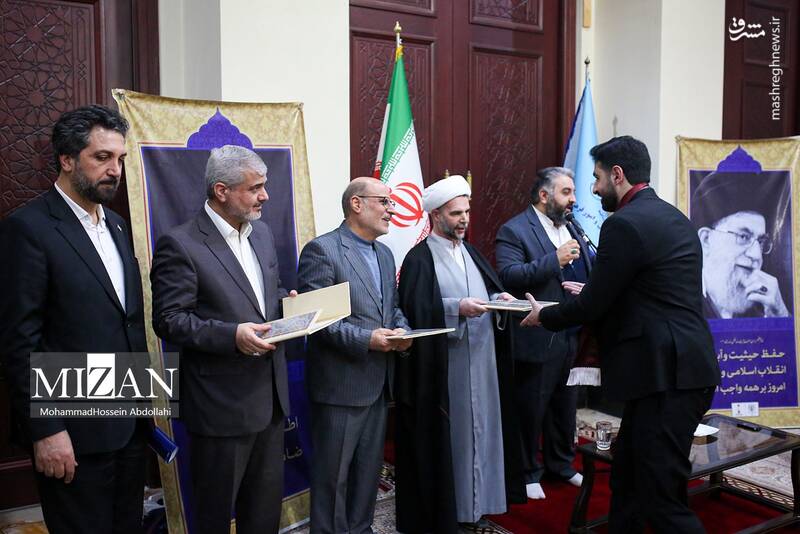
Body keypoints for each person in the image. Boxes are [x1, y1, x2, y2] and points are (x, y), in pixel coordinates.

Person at [521, 136, 721, 533]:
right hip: (679, 370)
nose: (593, 189)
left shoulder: (623, 224)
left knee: (660, 499)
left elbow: (593, 306)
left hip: (667, 377)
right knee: (627, 478)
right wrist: (596, 293)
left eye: (596, 178)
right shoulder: (674, 217)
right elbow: (655, 291)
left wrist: (545, 314)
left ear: (617, 174)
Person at [0, 105, 148, 533]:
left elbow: (124, 322)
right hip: (72, 431)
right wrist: (46, 430)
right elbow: (18, 342)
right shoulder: (28, 229)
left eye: (119, 158)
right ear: (66, 160)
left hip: (129, 422)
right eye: (102, 157)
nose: (115, 170)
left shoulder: (117, 225)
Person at [151, 145, 295, 534]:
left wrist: (289, 303)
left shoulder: (262, 233)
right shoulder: (181, 243)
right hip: (220, 408)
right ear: (221, 191)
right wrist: (232, 336)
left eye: (264, 186)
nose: (265, 196)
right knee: (213, 516)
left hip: (270, 401)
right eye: (255, 188)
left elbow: (268, 294)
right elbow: (169, 320)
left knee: (263, 515)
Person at [395, 175, 525, 532]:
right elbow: (415, 310)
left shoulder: (471, 251)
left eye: (467, 211)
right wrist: (456, 308)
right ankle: (455, 510)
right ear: (436, 215)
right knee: (456, 440)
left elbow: (487, 291)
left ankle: (481, 504)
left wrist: (499, 298)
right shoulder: (419, 258)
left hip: (483, 363)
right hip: (445, 368)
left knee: (485, 433)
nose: (464, 219)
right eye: (455, 213)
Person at [298, 177, 411, 534]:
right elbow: (317, 321)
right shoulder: (322, 250)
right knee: (333, 479)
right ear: (357, 204)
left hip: (378, 384)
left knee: (367, 474)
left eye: (392, 202)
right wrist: (367, 340)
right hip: (341, 386)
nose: (392, 210)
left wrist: (403, 330)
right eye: (385, 202)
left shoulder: (385, 254)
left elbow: (392, 308)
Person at [495, 167, 589, 500]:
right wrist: (555, 260)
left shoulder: (573, 227)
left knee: (565, 405)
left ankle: (561, 464)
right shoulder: (515, 230)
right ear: (544, 195)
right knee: (531, 407)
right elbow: (509, 275)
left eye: (573, 192)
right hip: (535, 336)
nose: (573, 199)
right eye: (566, 192)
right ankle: (527, 472)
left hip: (570, 333)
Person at [691, 171, 790, 319]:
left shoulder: (764, 308)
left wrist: (780, 315)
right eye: (743, 237)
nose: (757, 255)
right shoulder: (682, 301)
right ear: (706, 240)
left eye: (761, 242)